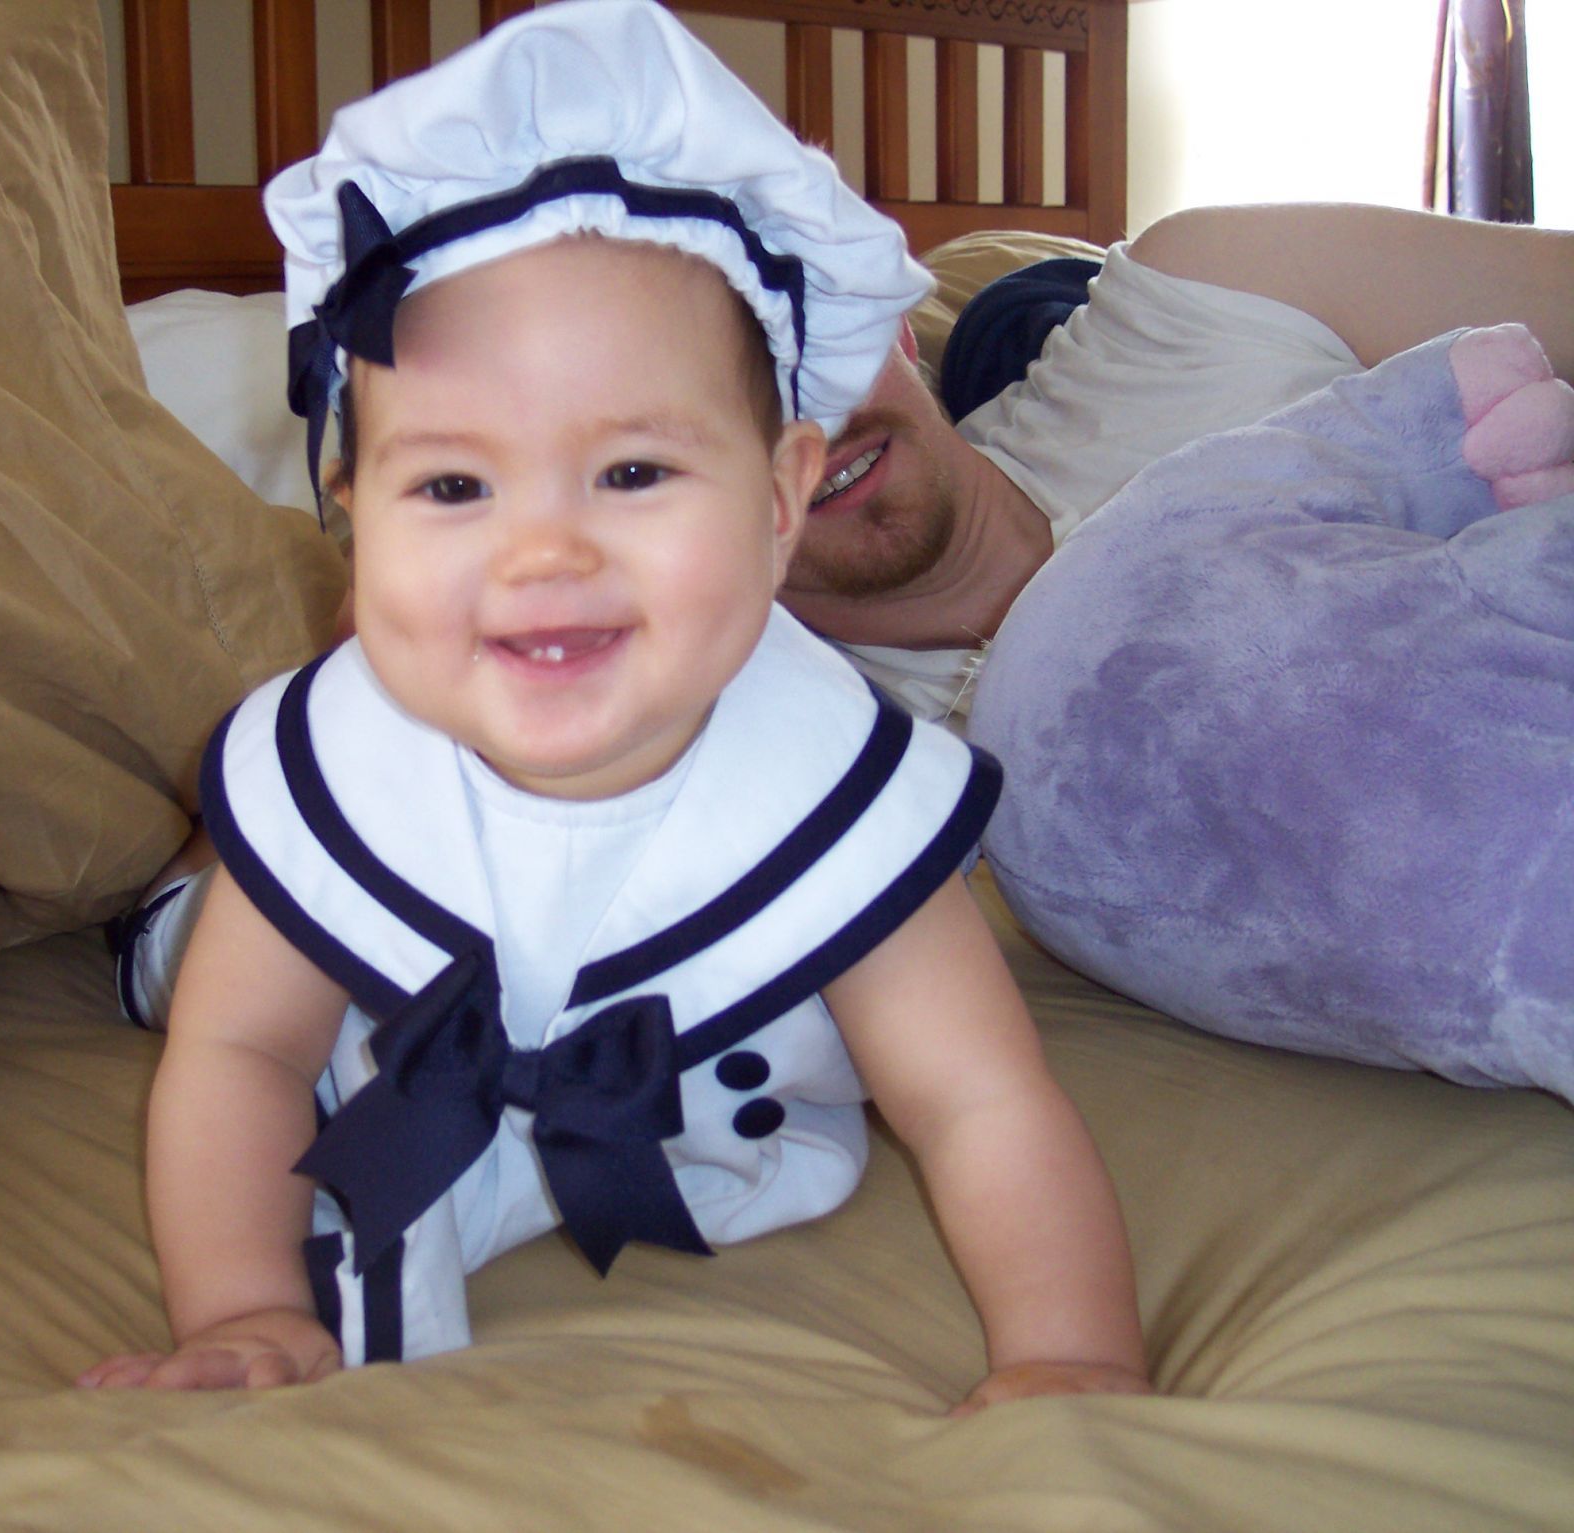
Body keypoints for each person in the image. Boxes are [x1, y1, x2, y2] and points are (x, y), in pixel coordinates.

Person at [79, 0, 1150, 1415]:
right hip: (376, 1067)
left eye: (632, 473)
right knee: (204, 954)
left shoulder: (826, 784)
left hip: (715, 1125)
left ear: (780, 500)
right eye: (451, 486)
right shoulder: (346, 761)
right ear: (352, 514)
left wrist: (1071, 1351)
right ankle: (172, 879)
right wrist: (248, 1308)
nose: (542, 554)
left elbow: (978, 1100)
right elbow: (243, 1052)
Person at [781, 203, 1574, 718]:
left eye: (786, 349)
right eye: (723, 417)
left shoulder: (1203, 284)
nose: (802, 428)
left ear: (887, 325)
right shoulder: (832, 767)